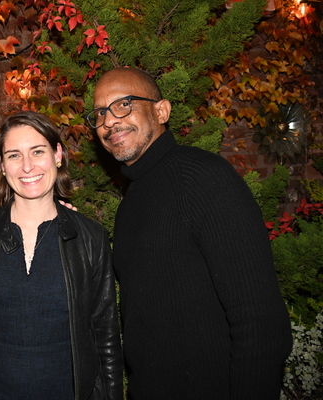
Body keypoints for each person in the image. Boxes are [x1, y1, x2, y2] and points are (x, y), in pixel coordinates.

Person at [87, 67, 293, 400]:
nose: (109, 121)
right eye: (99, 113)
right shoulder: (131, 202)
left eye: (123, 104)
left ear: (161, 111)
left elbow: (261, 322)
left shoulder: (202, 178)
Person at [0, 111, 123, 400]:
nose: (27, 167)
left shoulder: (89, 237)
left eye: (37, 151)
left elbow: (105, 331)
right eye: (13, 155)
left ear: (57, 154)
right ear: (2, 165)